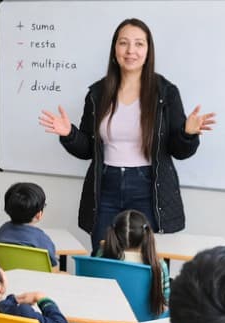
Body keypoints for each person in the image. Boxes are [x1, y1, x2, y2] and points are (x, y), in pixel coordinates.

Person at [39, 18, 216, 251]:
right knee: (103, 258)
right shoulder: (98, 92)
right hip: (106, 186)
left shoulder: (166, 92)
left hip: (148, 187)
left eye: (139, 44)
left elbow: (179, 151)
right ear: (115, 49)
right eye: (124, 43)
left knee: (144, 262)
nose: (131, 50)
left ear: (148, 51)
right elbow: (87, 150)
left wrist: (187, 133)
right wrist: (70, 134)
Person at [98, 209, 168, 316]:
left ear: (114, 233)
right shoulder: (158, 265)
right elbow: (165, 303)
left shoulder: (101, 257)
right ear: (147, 235)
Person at [0, 182, 58, 268]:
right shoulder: (41, 238)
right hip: (38, 279)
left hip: (8, 277)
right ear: (39, 215)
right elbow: (52, 264)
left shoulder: (2, 231)